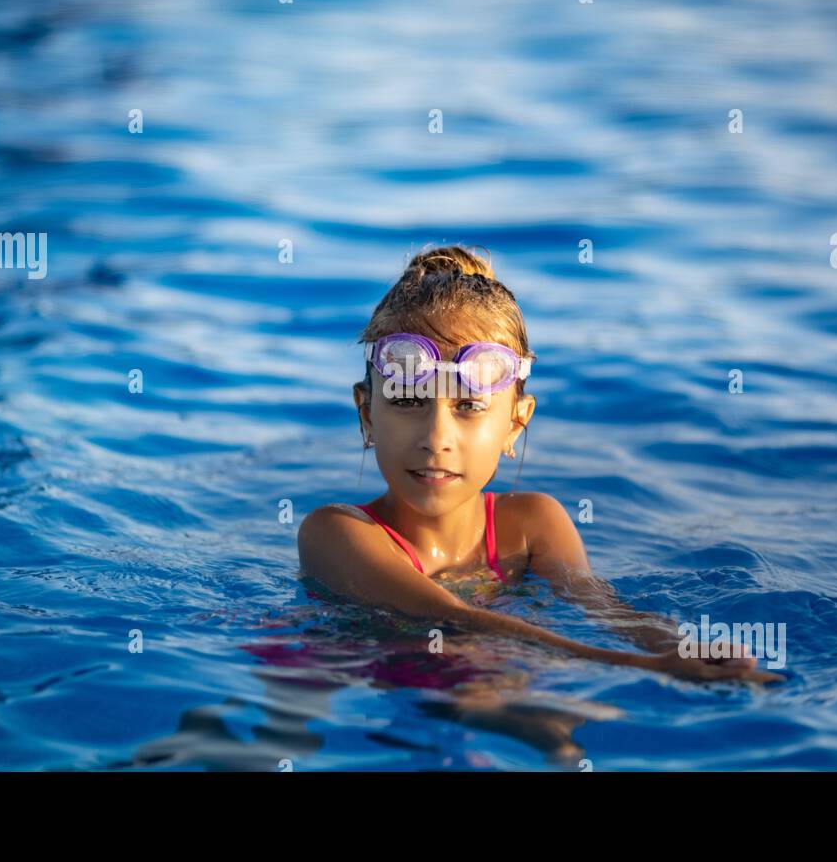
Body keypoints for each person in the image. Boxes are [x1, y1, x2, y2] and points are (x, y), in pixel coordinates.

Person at [298, 245, 781, 685]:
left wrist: (682, 646)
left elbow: (604, 608)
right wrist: (648, 669)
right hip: (318, 676)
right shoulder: (335, 532)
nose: (435, 438)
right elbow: (446, 616)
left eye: (468, 407)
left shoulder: (532, 524)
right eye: (407, 402)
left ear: (514, 423)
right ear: (366, 415)